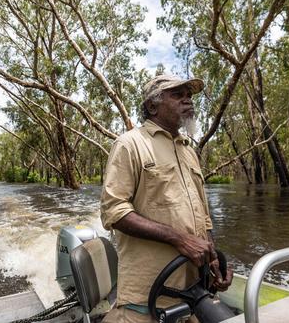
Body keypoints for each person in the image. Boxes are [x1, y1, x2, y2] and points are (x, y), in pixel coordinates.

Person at [100, 74, 233, 323]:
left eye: (189, 96)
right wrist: (180, 239)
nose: (188, 101)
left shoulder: (189, 152)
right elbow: (113, 211)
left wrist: (212, 256)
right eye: (178, 95)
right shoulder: (130, 144)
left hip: (193, 294)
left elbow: (203, 217)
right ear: (153, 106)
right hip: (146, 300)